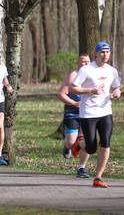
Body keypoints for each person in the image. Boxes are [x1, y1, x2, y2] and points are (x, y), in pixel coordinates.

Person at [71, 41, 121, 188]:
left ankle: (98, 177)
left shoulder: (112, 71)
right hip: (88, 113)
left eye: (107, 52)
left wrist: (117, 92)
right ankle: (79, 143)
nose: (105, 55)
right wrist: (90, 90)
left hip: (105, 112)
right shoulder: (86, 70)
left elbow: (117, 87)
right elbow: (74, 88)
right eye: (102, 52)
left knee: (106, 142)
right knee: (91, 148)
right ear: (96, 54)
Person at [57, 53, 90, 178]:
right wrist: (75, 103)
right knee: (71, 142)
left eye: (87, 62)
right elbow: (61, 94)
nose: (85, 64)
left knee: (87, 142)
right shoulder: (73, 76)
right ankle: (67, 146)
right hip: (72, 113)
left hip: (87, 114)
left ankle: (81, 168)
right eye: (82, 62)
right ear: (78, 63)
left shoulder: (92, 76)